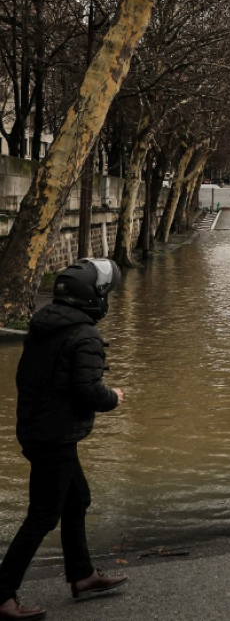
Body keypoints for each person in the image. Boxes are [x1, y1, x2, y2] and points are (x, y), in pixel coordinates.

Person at [0, 259, 128, 621]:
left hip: (37, 428)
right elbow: (87, 390)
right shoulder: (85, 335)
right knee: (42, 515)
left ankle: (83, 575)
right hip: (55, 437)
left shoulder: (42, 327)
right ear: (93, 296)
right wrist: (113, 396)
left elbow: (34, 380)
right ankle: (3, 594)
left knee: (77, 500)